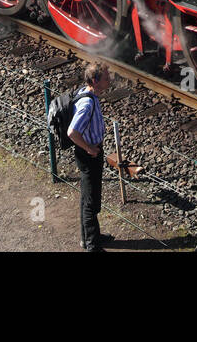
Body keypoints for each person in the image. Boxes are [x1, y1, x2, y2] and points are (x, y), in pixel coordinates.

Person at [67, 63, 112, 252]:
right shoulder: (87, 103)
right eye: (106, 79)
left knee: (88, 197)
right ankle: (92, 246)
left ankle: (88, 238)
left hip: (88, 152)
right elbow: (72, 132)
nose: (109, 81)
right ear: (95, 81)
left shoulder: (88, 93)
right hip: (89, 155)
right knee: (91, 202)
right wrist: (89, 148)